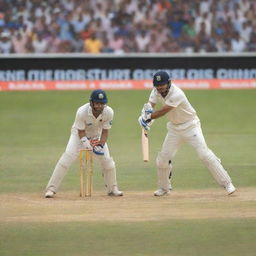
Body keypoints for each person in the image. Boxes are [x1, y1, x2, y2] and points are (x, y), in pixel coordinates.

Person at [138, 70, 236, 196]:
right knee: (162, 159)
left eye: (162, 85)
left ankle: (227, 183)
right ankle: (164, 188)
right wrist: (144, 117)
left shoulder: (177, 93)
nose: (159, 88)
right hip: (174, 129)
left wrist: (149, 117)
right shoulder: (156, 91)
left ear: (169, 83)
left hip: (191, 126)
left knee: (204, 155)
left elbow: (163, 111)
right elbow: (150, 105)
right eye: (157, 86)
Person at [45, 89, 123, 198]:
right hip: (78, 135)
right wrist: (86, 144)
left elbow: (105, 132)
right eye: (97, 103)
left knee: (107, 161)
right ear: (91, 102)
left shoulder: (109, 112)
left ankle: (112, 188)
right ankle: (51, 189)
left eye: (102, 103)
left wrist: (100, 145)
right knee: (67, 157)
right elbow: (81, 131)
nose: (100, 106)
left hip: (97, 136)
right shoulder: (82, 112)